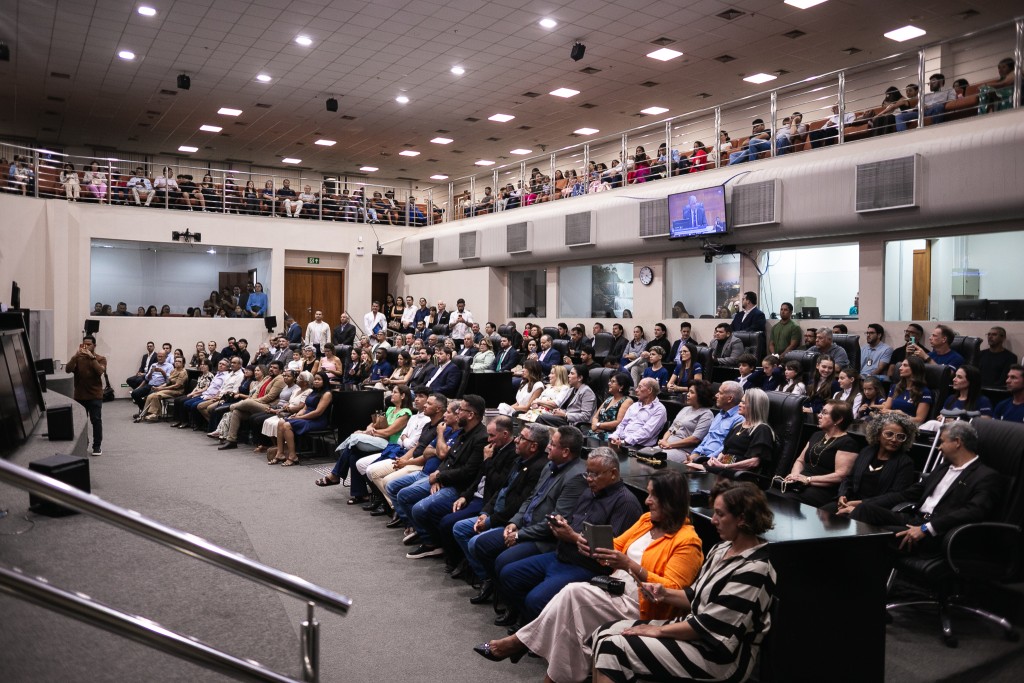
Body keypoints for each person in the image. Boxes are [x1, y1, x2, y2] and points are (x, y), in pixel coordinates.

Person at [475, 471, 704, 681]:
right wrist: (585, 541)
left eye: (654, 495)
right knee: (570, 625)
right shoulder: (647, 522)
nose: (647, 500)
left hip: (642, 606)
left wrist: (630, 565)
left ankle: (518, 643)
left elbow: (673, 590)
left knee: (573, 593)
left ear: (671, 500)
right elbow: (616, 545)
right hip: (616, 588)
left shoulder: (687, 541)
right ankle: (525, 651)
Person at [589, 480, 775, 683]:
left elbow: (710, 626)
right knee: (603, 633)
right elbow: (693, 595)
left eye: (720, 514)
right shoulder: (721, 549)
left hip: (719, 657)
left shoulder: (755, 569)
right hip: (695, 633)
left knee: (612, 647)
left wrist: (658, 630)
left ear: (742, 518)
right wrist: (664, 592)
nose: (713, 520)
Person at [496, 448, 644, 628]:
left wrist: (572, 536)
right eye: (588, 473)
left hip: (587, 567)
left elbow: (609, 552)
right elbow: (574, 521)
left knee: (535, 600)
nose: (589, 479)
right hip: (561, 554)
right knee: (509, 574)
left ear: (613, 473)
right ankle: (531, 622)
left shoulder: (626, 503)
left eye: (595, 474)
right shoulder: (589, 492)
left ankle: (537, 630)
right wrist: (561, 524)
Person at [848, 421, 1004, 554]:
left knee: (874, 534)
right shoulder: (943, 468)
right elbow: (907, 494)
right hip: (915, 519)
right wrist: (862, 503)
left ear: (957, 442)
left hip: (938, 532)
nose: (939, 448)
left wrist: (926, 528)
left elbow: (974, 511)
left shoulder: (985, 476)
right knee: (864, 510)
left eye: (942, 442)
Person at [834, 412, 919, 516]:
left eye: (900, 437)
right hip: (850, 502)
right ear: (878, 435)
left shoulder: (905, 463)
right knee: (825, 512)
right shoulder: (866, 451)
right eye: (889, 434)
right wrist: (842, 495)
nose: (894, 439)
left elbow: (895, 497)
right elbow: (849, 478)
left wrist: (861, 503)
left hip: (875, 511)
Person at [781, 400, 859, 506]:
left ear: (839, 419)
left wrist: (808, 479)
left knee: (785, 500)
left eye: (825, 413)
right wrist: (795, 475)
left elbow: (841, 475)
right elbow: (800, 460)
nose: (819, 415)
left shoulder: (848, 443)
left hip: (822, 490)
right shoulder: (816, 435)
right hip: (800, 484)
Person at [689, 388, 774, 475]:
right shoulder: (738, 426)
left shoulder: (762, 429)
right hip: (724, 467)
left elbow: (754, 462)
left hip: (739, 473)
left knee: (693, 467)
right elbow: (724, 452)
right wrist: (714, 461)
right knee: (691, 466)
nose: (739, 404)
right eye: (740, 402)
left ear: (754, 406)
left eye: (743, 403)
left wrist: (726, 466)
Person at [268, 371, 333, 466]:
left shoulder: (327, 394)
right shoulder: (313, 392)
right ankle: (280, 453)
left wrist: (300, 417)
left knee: (287, 425)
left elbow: (317, 412)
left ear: (325, 381)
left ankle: (292, 456)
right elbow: (305, 408)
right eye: (315, 379)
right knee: (281, 422)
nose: (316, 381)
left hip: (317, 421)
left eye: (319, 379)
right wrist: (296, 415)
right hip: (306, 417)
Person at [65, 335, 106, 456]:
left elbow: (100, 371)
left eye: (89, 344)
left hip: (95, 395)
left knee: (96, 421)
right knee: (81, 423)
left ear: (94, 346)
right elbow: (67, 369)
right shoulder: (78, 359)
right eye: (84, 344)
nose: (86, 346)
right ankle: (84, 443)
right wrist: (75, 357)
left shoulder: (100, 359)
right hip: (80, 396)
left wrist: (92, 358)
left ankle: (97, 446)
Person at [658, 382, 715, 463]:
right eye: (688, 392)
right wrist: (664, 441)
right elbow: (671, 429)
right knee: (644, 453)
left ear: (701, 396)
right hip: (667, 446)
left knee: (655, 458)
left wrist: (670, 445)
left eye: (691, 392)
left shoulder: (706, 414)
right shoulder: (685, 409)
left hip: (683, 451)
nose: (687, 394)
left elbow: (695, 439)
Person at [689, 381, 744, 462]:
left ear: (730, 399)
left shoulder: (740, 419)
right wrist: (695, 453)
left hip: (716, 460)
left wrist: (704, 460)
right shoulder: (719, 415)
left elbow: (726, 448)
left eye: (720, 393)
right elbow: (707, 438)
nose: (716, 395)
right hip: (701, 456)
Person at [609, 378, 667, 449]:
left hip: (640, 447)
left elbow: (646, 432)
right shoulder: (634, 405)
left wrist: (624, 442)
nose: (636, 390)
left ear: (650, 390)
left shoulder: (659, 409)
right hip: (622, 442)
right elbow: (622, 424)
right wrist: (614, 436)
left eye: (640, 387)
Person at [881, 356, 933, 424]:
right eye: (901, 365)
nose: (900, 368)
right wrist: (895, 412)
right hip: (890, 422)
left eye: (905, 365)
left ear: (915, 369)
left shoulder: (924, 392)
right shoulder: (895, 387)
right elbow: (884, 410)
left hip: (909, 426)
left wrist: (903, 415)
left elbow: (919, 420)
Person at [138, 357, 188, 422]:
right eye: (176, 361)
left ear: (183, 363)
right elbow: (168, 382)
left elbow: (176, 386)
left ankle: (155, 414)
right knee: (150, 396)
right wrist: (159, 387)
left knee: (156, 395)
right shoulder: (174, 370)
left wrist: (162, 388)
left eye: (179, 361)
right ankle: (144, 414)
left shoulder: (183, 372)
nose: (177, 362)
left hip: (177, 391)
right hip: (170, 389)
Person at [590, 372, 634, 441]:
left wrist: (598, 425)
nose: (609, 383)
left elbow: (618, 422)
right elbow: (596, 416)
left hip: (611, 436)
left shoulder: (627, 401)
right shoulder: (609, 399)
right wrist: (594, 425)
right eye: (609, 381)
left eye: (613, 382)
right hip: (595, 432)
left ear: (621, 386)